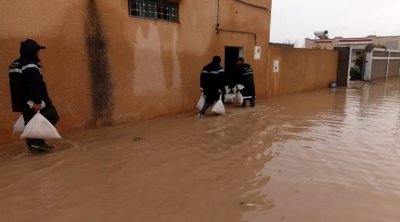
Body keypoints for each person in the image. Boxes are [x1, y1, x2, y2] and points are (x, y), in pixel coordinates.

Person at [8, 39, 60, 153]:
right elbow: (33, 84)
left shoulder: (14, 64)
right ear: (32, 52)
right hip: (34, 100)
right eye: (37, 51)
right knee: (52, 115)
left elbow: (17, 86)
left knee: (30, 122)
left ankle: (33, 146)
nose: (38, 53)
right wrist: (37, 101)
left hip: (22, 101)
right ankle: (38, 142)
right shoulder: (30, 66)